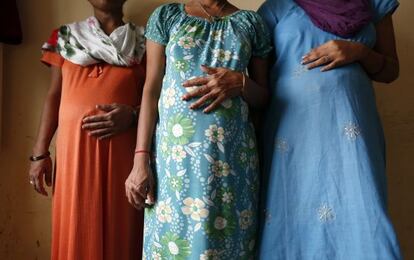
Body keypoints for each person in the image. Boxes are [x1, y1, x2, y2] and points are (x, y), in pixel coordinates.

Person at [124, 0, 271, 258]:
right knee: (174, 244)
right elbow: (151, 90)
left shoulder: (250, 23)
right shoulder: (168, 16)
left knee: (225, 247)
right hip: (174, 165)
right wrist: (140, 160)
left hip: (231, 163)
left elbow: (264, 98)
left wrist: (241, 83)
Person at [257, 0, 402, 259]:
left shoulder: (374, 3)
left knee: (362, 208)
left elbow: (391, 71)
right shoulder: (275, 8)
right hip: (291, 134)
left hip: (353, 130)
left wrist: (360, 52)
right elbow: (260, 86)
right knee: (289, 213)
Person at [28, 0, 146, 258]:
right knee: (76, 225)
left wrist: (133, 115)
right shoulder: (65, 37)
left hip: (124, 156)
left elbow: (157, 99)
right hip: (73, 156)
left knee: (121, 228)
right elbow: (54, 95)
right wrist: (40, 153)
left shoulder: (144, 43)